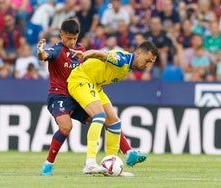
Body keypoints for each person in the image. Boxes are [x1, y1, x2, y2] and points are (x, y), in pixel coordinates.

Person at [37, 19, 147, 176]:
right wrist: (40, 51)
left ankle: (125, 154)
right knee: (66, 127)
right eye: (68, 38)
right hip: (60, 94)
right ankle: (49, 164)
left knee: (106, 119)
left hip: (80, 93)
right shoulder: (57, 49)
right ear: (61, 35)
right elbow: (45, 55)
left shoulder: (80, 50)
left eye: (75, 38)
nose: (72, 42)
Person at [66, 41, 158, 175]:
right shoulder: (123, 60)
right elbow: (101, 54)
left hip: (95, 85)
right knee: (99, 115)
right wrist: (87, 54)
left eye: (151, 63)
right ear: (138, 53)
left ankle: (111, 166)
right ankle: (90, 163)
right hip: (81, 80)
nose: (148, 66)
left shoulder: (128, 65)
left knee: (114, 122)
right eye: (147, 60)